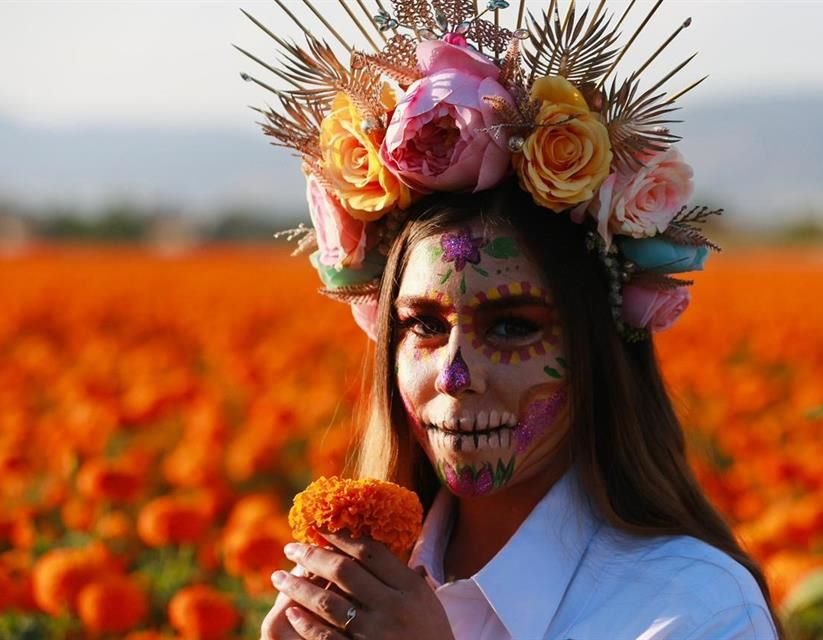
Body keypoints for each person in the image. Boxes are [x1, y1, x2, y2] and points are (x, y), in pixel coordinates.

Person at [242, 2, 783, 638]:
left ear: (596, 351)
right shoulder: (359, 590)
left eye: (513, 326)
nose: (454, 375)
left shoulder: (694, 606)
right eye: (424, 325)